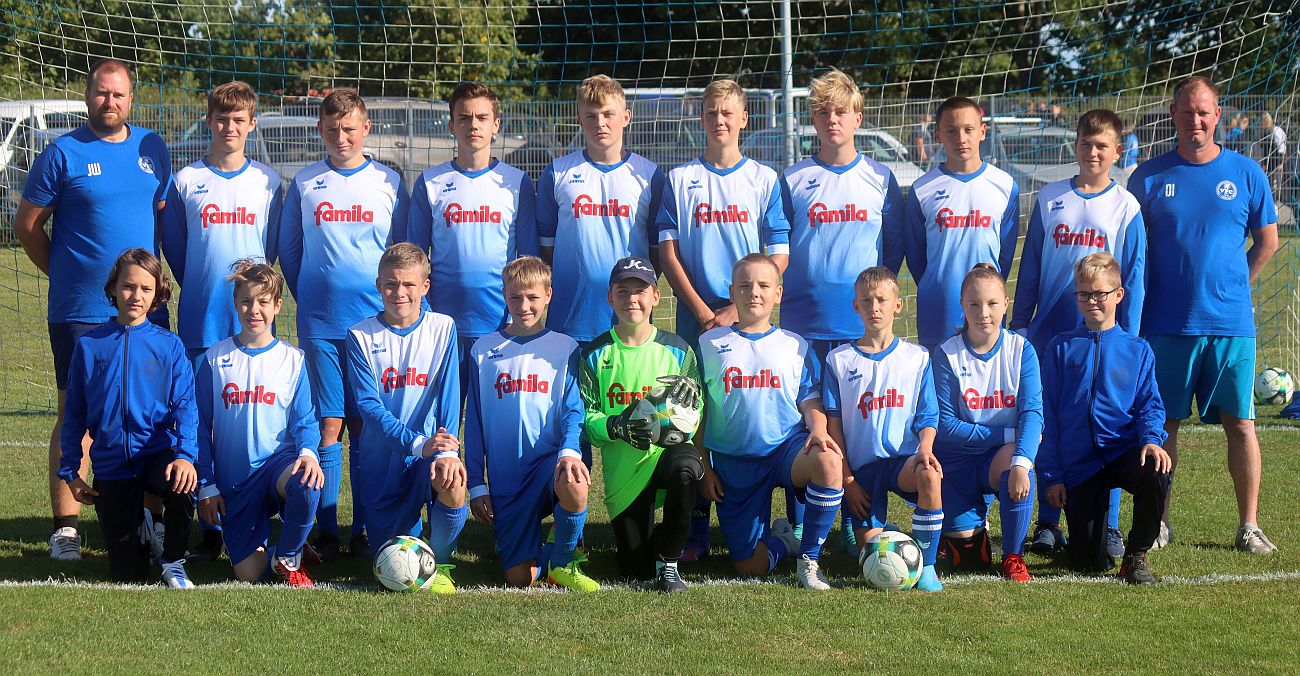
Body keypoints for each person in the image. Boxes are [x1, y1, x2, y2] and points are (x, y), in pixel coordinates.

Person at [12, 58, 172, 560]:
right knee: (74, 412)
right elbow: (26, 226)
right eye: (102, 94)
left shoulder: (153, 149)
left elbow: (161, 220)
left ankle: (149, 518)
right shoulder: (62, 152)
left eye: (119, 94)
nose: (111, 102)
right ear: (88, 97)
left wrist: (152, 285)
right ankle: (66, 529)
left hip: (145, 311)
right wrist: (64, 274)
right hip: (80, 309)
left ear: (132, 99)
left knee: (152, 415)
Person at [1127, 76, 1279, 553]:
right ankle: (1159, 523)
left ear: (1218, 116)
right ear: (1173, 115)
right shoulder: (1146, 177)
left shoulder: (1247, 172)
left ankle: (1248, 526)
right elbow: (1131, 249)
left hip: (1230, 325)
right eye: (1186, 112)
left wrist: (1233, 286)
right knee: (1162, 426)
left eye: (1203, 112)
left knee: (1241, 424)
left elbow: (1268, 241)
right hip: (1164, 324)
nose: (1195, 120)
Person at [658, 79, 791, 560]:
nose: (719, 120)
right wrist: (701, 311)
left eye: (728, 113)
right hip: (700, 316)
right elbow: (667, 252)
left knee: (760, 405)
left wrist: (737, 308)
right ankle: (693, 523)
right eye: (711, 111)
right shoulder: (679, 178)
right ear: (702, 118)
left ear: (743, 120)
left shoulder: (764, 179)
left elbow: (779, 254)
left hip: (750, 312)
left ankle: (792, 519)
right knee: (693, 414)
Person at [279, 89, 410, 560]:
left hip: (374, 327)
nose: (341, 137)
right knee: (328, 422)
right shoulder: (306, 181)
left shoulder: (390, 183)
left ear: (366, 129)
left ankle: (365, 526)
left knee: (366, 423)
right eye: (332, 129)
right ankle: (328, 527)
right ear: (320, 130)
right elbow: (289, 252)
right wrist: (312, 296)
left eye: (350, 128)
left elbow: (402, 252)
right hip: (320, 322)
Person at [1010, 108, 1147, 555]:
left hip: (1106, 339)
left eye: (1102, 146)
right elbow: (1030, 269)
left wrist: (1128, 338)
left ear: (1117, 152)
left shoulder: (1127, 206)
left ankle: (1108, 523)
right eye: (1086, 144)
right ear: (1075, 146)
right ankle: (1048, 522)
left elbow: (1136, 277)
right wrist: (1021, 324)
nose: (1093, 152)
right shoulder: (1050, 198)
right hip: (1051, 332)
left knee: (1105, 426)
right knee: (1048, 421)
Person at [780, 69, 904, 554]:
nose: (832, 119)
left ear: (858, 116)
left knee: (863, 425)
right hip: (802, 324)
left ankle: (863, 524)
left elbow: (890, 256)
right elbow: (779, 248)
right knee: (806, 426)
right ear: (812, 117)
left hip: (861, 327)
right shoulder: (792, 179)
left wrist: (869, 305)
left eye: (841, 111)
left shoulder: (881, 178)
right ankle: (799, 524)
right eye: (823, 111)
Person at [161, 80, 283, 560]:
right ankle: (206, 525)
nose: (229, 127)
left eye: (239, 120)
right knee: (198, 424)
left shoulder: (269, 183)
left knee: (245, 419)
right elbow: (176, 248)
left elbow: (270, 252)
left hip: (251, 324)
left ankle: (250, 513)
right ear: (209, 121)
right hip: (201, 320)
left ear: (251, 124)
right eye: (221, 118)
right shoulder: (187, 179)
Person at [696, 254, 843, 590]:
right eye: (745, 286)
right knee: (749, 566)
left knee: (829, 462)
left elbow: (810, 400)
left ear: (778, 293)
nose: (754, 293)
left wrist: (818, 430)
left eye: (764, 285)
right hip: (735, 460)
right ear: (732, 293)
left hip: (785, 449)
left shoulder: (795, 345)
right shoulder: (708, 344)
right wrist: (706, 466)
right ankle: (784, 544)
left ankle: (810, 558)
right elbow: (700, 413)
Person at [58, 249, 197, 587]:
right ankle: (144, 526)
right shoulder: (90, 345)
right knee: (127, 576)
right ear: (113, 288)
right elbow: (73, 414)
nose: (136, 296)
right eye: (128, 286)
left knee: (182, 482)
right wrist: (71, 472)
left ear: (157, 293)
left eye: (146, 289)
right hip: (112, 466)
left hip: (155, 457)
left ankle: (174, 561)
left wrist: (185, 457)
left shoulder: (169, 346)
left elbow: (187, 409)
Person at [464, 256, 597, 592]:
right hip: (507, 476)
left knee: (574, 481)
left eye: (533, 297)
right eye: (515, 298)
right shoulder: (483, 349)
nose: (524, 306)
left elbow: (573, 411)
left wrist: (569, 452)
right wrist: (478, 484)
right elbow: (476, 422)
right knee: (519, 579)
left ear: (548, 295)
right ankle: (546, 549)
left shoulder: (565, 348)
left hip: (547, 465)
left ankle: (563, 563)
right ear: (504, 296)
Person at [1039, 253, 1172, 584]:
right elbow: (1047, 416)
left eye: (1099, 293)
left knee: (1156, 472)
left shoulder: (1137, 350)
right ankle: (1082, 541)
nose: (1091, 301)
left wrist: (1152, 440)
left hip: (1121, 451)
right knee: (1087, 564)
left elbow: (1149, 405)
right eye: (1084, 294)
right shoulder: (1060, 348)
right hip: (1080, 462)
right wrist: (1053, 474)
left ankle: (1136, 556)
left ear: (1118, 295)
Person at [195, 261, 323, 587]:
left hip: (277, 466)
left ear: (277, 305)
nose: (255, 310)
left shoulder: (293, 360)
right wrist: (207, 485)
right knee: (254, 577)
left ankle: (289, 553)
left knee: (307, 482)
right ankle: (276, 545)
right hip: (234, 480)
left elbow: (306, 420)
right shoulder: (213, 360)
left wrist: (308, 453)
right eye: (247, 302)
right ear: (236, 304)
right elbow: (200, 429)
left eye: (263, 302)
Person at [578, 256, 703, 592]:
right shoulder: (594, 354)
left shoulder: (678, 351)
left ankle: (672, 563)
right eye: (623, 291)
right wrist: (616, 425)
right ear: (610, 297)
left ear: (655, 297)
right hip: (625, 477)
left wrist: (691, 413)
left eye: (640, 291)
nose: (632, 299)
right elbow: (587, 421)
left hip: (664, 457)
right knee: (635, 570)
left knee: (687, 466)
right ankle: (661, 541)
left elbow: (694, 412)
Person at [345, 243, 464, 593]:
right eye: (391, 284)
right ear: (379, 285)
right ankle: (414, 546)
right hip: (383, 461)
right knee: (392, 562)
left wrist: (446, 452)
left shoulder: (443, 328)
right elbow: (369, 406)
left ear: (424, 287)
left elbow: (449, 396)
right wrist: (417, 444)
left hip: (428, 455)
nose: (400, 293)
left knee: (454, 482)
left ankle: (439, 563)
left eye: (409, 285)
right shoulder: (360, 335)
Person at [408, 81, 537, 402]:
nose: (473, 125)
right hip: (441, 325)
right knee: (440, 423)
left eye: (481, 117)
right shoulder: (431, 183)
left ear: (496, 124)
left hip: (501, 323)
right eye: (464, 118)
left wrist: (517, 314)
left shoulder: (516, 183)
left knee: (494, 422)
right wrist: (423, 313)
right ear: (452, 124)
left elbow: (529, 260)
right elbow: (413, 258)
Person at [823, 267, 944, 592]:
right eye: (867, 301)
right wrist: (847, 480)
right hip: (862, 472)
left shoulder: (916, 357)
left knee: (930, 475)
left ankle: (928, 565)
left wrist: (926, 449)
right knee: (871, 556)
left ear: (898, 305)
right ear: (856, 306)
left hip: (902, 462)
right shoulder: (839, 360)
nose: (874, 307)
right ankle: (890, 534)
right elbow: (835, 428)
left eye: (881, 300)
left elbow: (928, 415)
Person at [932, 264, 1043, 582]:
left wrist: (1021, 462)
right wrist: (1008, 432)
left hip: (998, 458)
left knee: (1019, 462)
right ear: (963, 307)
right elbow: (946, 426)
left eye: (992, 303)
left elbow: (1033, 414)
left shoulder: (1021, 351)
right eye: (975, 304)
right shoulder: (946, 354)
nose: (984, 313)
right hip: (955, 466)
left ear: (1006, 303)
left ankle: (1013, 557)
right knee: (969, 560)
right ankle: (959, 532)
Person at [539, 75, 664, 346]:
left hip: (630, 326)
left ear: (626, 117)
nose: (600, 123)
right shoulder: (557, 173)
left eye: (609, 114)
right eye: (591, 116)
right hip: (569, 321)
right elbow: (546, 251)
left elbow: (657, 253)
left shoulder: (649, 176)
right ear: (579, 119)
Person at [902, 96, 1020, 349]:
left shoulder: (1005, 185)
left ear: (982, 131)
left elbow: (1006, 255)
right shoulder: (923, 189)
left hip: (989, 309)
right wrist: (940, 283)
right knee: (940, 385)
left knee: (986, 387)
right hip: (939, 309)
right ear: (938, 134)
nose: (961, 138)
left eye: (968, 129)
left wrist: (987, 288)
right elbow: (916, 256)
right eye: (951, 131)